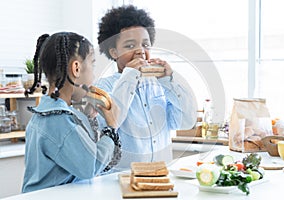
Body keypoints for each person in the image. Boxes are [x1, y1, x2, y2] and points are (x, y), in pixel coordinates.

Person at [96, 5, 197, 171]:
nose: (140, 52)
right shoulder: (104, 87)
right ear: (114, 52)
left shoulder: (161, 86)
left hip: (160, 178)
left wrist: (170, 80)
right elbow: (109, 126)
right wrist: (129, 76)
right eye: (130, 46)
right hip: (120, 180)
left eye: (145, 45)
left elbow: (186, 122)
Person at [22, 32, 121, 193]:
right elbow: (90, 166)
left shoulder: (48, 113)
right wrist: (111, 127)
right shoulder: (58, 120)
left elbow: (73, 155)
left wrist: (88, 119)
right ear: (76, 68)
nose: (94, 75)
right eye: (93, 65)